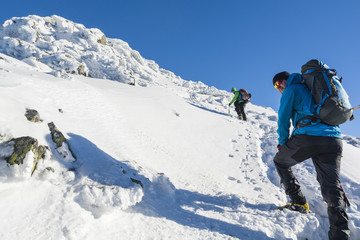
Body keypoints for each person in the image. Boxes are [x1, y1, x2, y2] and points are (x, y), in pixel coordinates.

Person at [272, 71, 350, 240]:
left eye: (277, 85)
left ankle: (299, 202)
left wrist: (283, 142)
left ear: (283, 81)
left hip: (308, 138)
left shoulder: (291, 89)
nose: (278, 89)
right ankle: (341, 234)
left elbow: (283, 118)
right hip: (334, 140)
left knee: (281, 162)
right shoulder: (315, 87)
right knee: (331, 186)